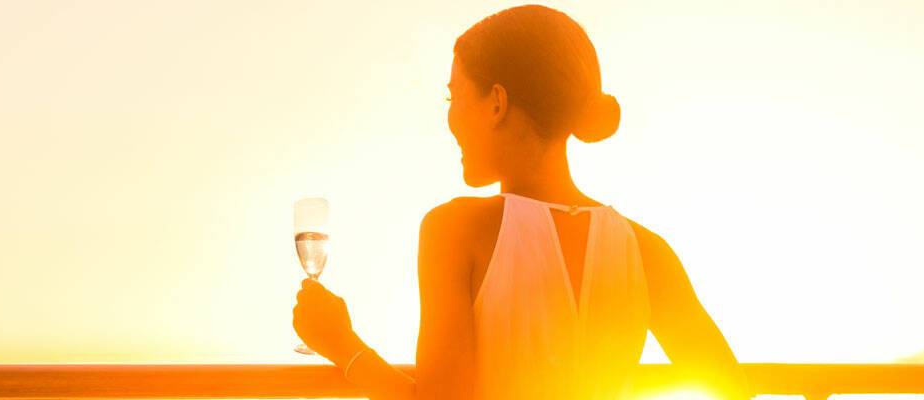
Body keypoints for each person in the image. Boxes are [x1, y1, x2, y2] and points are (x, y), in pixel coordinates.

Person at [292, 5, 748, 400]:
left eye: (454, 95)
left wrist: (342, 344)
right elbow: (727, 387)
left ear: (497, 102)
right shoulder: (647, 250)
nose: (449, 116)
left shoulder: (455, 229)